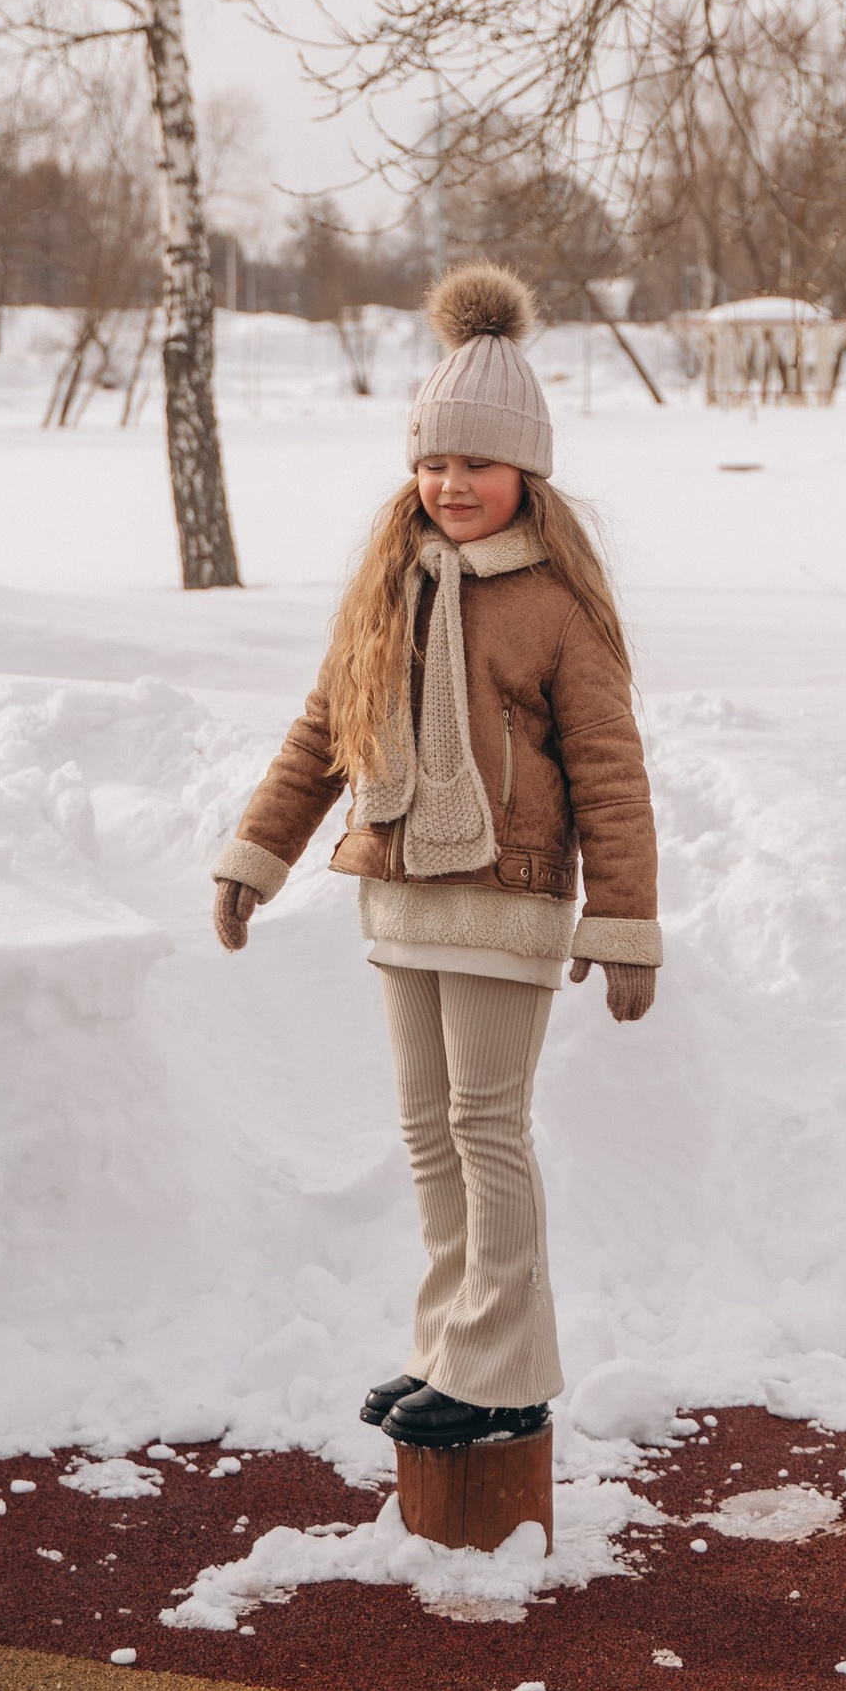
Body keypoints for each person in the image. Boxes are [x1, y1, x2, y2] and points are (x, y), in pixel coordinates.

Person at [210, 264, 661, 1451]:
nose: (451, 484)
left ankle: (504, 1365)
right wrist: (256, 853)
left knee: (485, 1122)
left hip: (505, 895)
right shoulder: (387, 594)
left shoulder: (557, 605)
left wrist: (620, 921)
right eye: (434, 461)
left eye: (477, 462)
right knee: (425, 1126)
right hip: (403, 887)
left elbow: (612, 770)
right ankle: (451, 1343)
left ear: (526, 472)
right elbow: (324, 731)